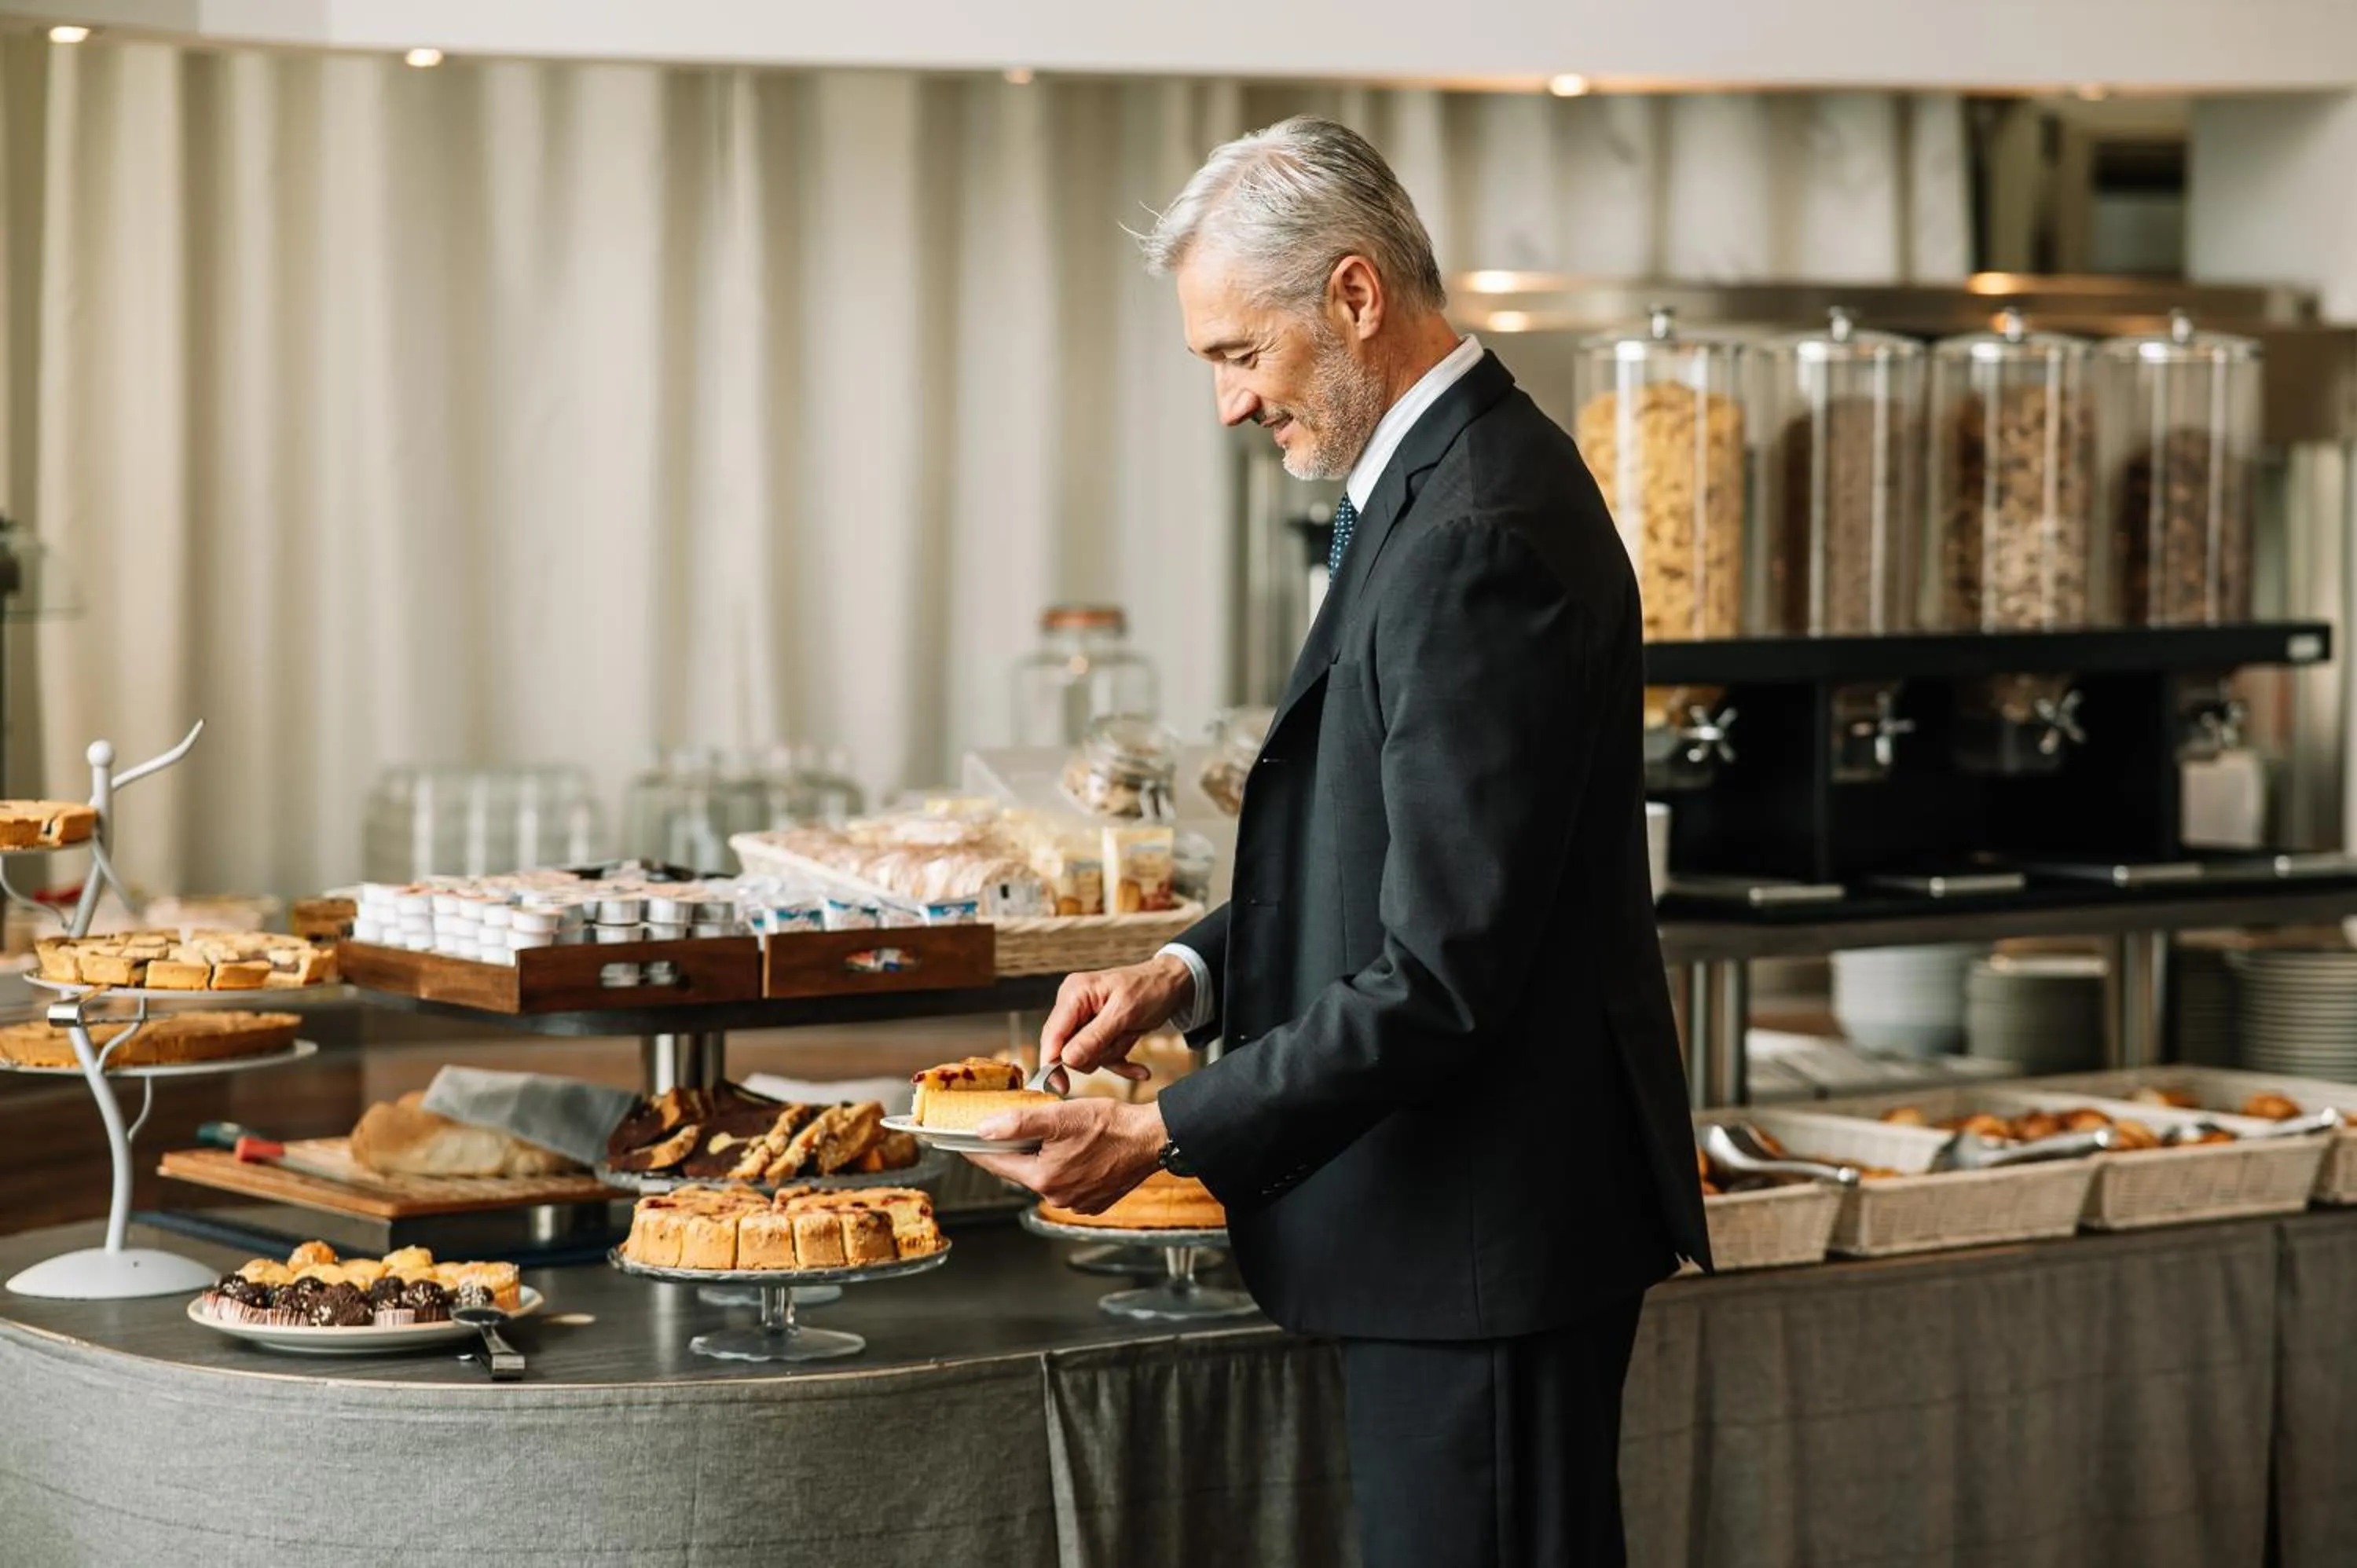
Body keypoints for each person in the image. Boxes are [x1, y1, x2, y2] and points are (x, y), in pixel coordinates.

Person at [964, 115, 1710, 1568]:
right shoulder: (1435, 487)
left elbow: (1441, 973)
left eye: (1240, 355)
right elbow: (1394, 865)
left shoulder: (1479, 527)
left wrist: (1159, 1129)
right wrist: (1183, 976)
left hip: (1486, 1241)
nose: (1232, 406)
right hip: (1456, 1239)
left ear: (1356, 296)